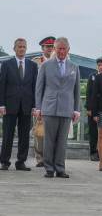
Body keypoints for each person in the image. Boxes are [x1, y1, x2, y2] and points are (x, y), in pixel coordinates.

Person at [35, 37, 80, 178]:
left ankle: (60, 168)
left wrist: (76, 109)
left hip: (66, 109)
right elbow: (39, 88)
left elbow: (77, 90)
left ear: (68, 50)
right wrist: (38, 107)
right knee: (48, 140)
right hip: (49, 108)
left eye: (64, 49)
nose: (61, 51)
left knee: (62, 141)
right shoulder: (46, 66)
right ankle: (49, 168)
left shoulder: (74, 67)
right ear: (54, 49)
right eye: (58, 48)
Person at [0, 38, 38, 171]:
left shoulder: (32, 66)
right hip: (10, 105)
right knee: (8, 134)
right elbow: (2, 85)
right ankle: (5, 161)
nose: (22, 49)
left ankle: (21, 162)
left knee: (24, 135)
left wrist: (35, 106)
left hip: (27, 105)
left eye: (24, 47)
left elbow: (35, 87)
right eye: (19, 47)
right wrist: (1, 104)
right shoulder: (6, 64)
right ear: (14, 48)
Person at [32, 36, 56, 167]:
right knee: (39, 132)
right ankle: (40, 158)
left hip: (53, 102)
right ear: (42, 48)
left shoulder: (58, 62)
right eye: (48, 47)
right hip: (39, 101)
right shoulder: (36, 62)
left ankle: (50, 157)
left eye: (52, 47)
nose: (50, 49)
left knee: (52, 132)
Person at [86, 57, 102, 161]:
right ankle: (93, 152)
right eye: (99, 65)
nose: (101, 67)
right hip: (93, 108)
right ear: (97, 66)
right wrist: (89, 108)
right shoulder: (92, 76)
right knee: (93, 131)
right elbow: (88, 93)